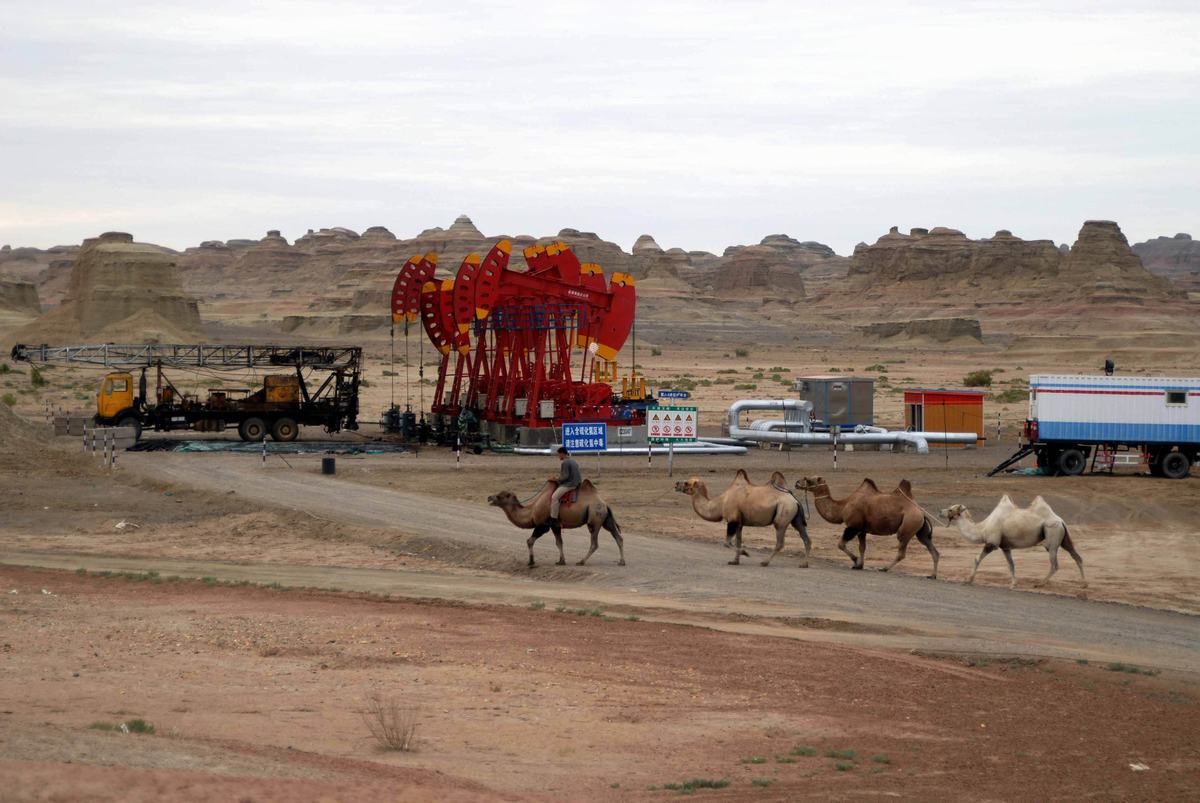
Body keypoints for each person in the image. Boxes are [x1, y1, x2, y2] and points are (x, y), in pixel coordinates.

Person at [548, 445, 581, 527]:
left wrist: (555, 479)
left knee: (554, 497)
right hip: (577, 482)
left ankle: (553, 519)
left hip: (570, 484)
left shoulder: (565, 462)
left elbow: (565, 477)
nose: (558, 456)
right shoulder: (573, 461)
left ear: (562, 453)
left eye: (559, 454)